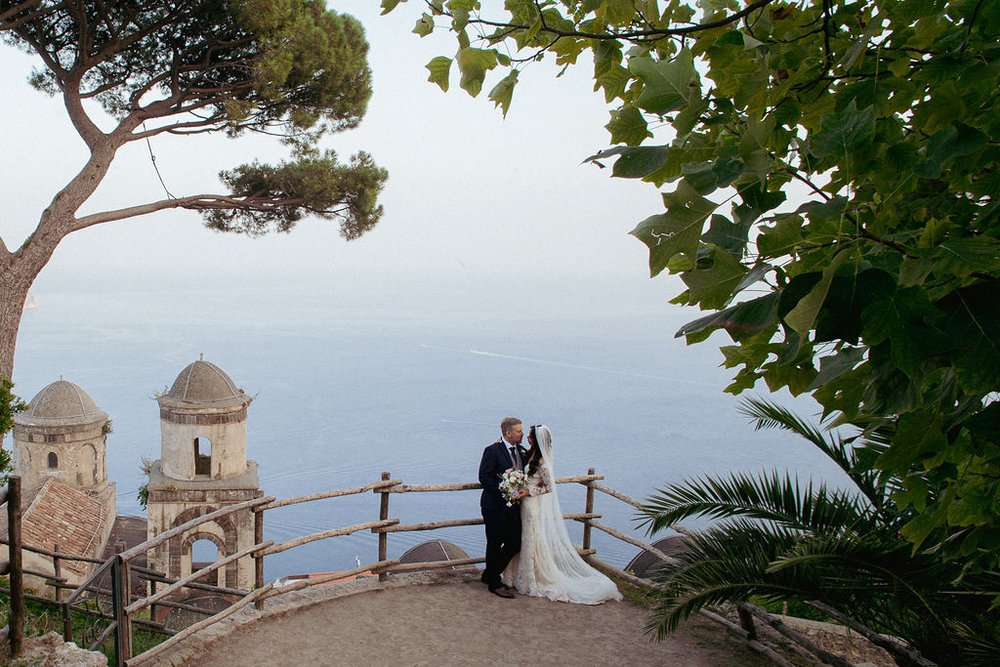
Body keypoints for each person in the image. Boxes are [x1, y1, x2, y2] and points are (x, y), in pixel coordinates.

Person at [502, 424, 622, 604]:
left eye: (530, 436)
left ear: (536, 440)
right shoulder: (530, 454)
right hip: (523, 504)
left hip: (531, 505)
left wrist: (528, 491)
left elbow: (549, 487)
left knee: (530, 538)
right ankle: (519, 574)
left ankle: (531, 578)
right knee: (524, 538)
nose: (527, 437)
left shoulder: (542, 462)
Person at [478, 416, 528, 598]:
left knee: (515, 542)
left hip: (513, 507)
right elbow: (484, 477)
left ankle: (489, 574)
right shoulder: (492, 450)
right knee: (494, 542)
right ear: (508, 433)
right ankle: (494, 583)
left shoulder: (521, 451)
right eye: (519, 431)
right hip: (494, 506)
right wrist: (505, 489)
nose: (521, 434)